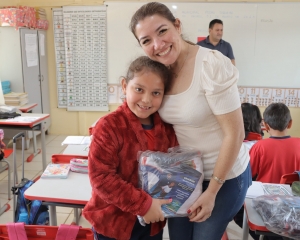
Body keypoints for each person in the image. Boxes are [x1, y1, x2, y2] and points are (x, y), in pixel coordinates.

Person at [130, 3, 251, 240]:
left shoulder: (210, 64)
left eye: (162, 31)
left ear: (177, 25)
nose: (157, 45)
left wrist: (212, 191)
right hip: (183, 174)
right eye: (146, 40)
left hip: (224, 176)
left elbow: (235, 134)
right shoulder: (158, 71)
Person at [82, 56, 178, 240]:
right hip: (113, 224)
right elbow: (101, 178)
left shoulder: (167, 129)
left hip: (152, 224)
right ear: (125, 86)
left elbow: (172, 171)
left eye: (156, 93)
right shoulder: (109, 126)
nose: (146, 99)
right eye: (139, 89)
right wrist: (144, 205)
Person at [250, 102, 300, 183]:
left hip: (264, 194)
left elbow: (249, 174)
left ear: (265, 125)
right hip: (293, 193)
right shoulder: (299, 144)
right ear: (290, 123)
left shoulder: (259, 146)